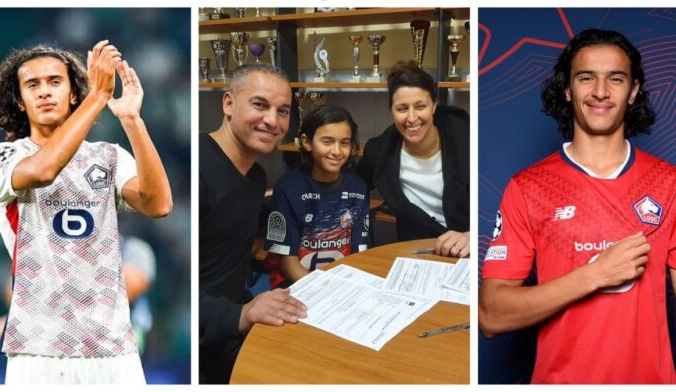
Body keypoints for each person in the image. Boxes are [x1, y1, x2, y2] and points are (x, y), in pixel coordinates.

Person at [479, 29, 676, 383]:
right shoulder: (528, 187)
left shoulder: (669, 183)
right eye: (587, 78)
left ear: (632, 92)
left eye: (615, 79)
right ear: (568, 89)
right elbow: (492, 315)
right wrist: (596, 274)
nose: (600, 91)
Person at [0, 41, 172, 384]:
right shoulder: (5, 157)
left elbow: (158, 204)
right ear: (20, 101)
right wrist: (97, 98)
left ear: (72, 94)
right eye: (32, 85)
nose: (44, 92)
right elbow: (42, 172)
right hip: (37, 348)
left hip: (112, 347)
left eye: (55, 82)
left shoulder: (110, 157)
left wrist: (131, 119)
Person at [198, 63, 307, 384]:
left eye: (283, 111)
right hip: (201, 336)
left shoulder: (257, 176)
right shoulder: (195, 171)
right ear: (228, 104)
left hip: (236, 315)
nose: (273, 121)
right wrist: (242, 314)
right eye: (260, 105)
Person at [355, 60, 469, 257]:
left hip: (469, 251)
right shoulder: (380, 150)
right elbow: (352, 185)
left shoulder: (466, 136)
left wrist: (472, 235)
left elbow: (496, 200)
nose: (412, 118)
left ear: (434, 106)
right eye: (402, 109)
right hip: (417, 253)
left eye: (420, 106)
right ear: (391, 110)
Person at [263, 105, 370, 289]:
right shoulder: (287, 188)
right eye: (327, 141)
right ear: (306, 142)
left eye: (344, 142)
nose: (337, 151)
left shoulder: (358, 187)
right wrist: (323, 288)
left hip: (343, 284)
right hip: (295, 282)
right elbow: (287, 263)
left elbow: (359, 255)